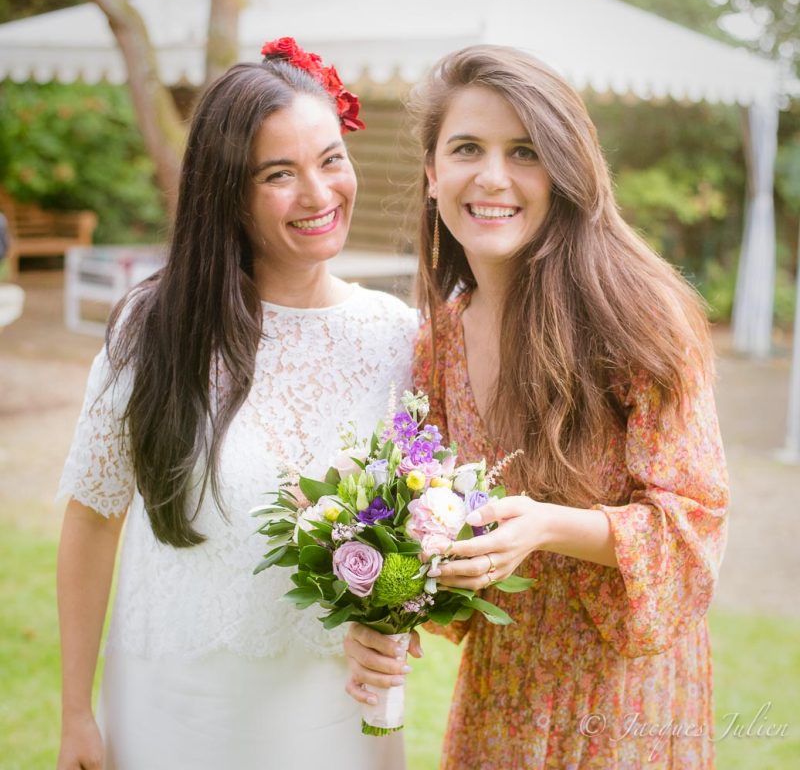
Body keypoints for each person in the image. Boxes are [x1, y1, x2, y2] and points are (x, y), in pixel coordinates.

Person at [344, 45, 729, 768]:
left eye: (524, 151)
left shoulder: (641, 319)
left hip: (623, 696)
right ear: (432, 174)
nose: (493, 177)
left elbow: (694, 527)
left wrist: (547, 526)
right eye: (467, 148)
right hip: (504, 690)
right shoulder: (437, 343)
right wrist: (383, 609)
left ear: (564, 168)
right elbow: (427, 521)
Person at [56, 38, 414, 770]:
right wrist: (74, 714)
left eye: (331, 159)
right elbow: (92, 517)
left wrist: (400, 621)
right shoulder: (154, 328)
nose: (318, 194)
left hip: (332, 715)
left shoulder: (397, 337)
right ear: (227, 192)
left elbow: (417, 534)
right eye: (279, 173)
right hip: (175, 708)